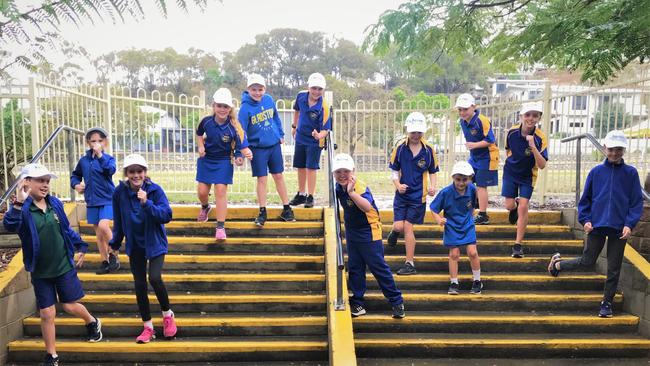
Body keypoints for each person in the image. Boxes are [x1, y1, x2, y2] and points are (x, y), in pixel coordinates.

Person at [3, 163, 102, 366]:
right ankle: (52, 356)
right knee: (47, 312)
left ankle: (92, 321)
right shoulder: (22, 209)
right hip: (40, 270)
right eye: (40, 180)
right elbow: (10, 225)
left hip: (63, 265)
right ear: (26, 182)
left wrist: (81, 246)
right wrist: (19, 203)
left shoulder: (55, 203)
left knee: (69, 305)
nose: (45, 184)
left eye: (47, 181)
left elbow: (65, 229)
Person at [547, 130, 643, 318]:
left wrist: (629, 224)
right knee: (588, 261)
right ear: (604, 148)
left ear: (623, 150)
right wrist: (586, 219)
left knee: (614, 268)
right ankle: (557, 265)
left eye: (619, 149)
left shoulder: (631, 173)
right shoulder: (596, 172)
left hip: (619, 229)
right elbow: (585, 200)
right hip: (597, 225)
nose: (615, 153)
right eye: (611, 149)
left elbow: (636, 202)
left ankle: (606, 304)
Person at [109, 154, 177, 343]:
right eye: (132, 172)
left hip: (154, 242)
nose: (136, 175)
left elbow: (166, 215)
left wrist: (147, 204)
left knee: (154, 278)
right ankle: (148, 327)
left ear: (145, 173)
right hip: (135, 244)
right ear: (126, 174)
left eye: (139, 171)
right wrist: (114, 243)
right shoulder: (119, 193)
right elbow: (119, 220)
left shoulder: (155, 191)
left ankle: (167, 315)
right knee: (140, 285)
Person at [333, 153, 405, 319]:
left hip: (369, 231)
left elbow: (366, 207)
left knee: (378, 267)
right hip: (352, 232)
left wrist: (351, 194)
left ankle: (396, 301)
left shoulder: (359, 187)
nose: (342, 175)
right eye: (338, 172)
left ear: (353, 171)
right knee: (355, 268)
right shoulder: (337, 187)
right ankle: (358, 303)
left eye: (346, 171)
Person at [195, 88, 253, 240]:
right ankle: (205, 207)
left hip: (223, 161)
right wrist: (200, 146)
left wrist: (241, 156)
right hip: (206, 159)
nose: (222, 109)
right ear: (213, 106)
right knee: (202, 192)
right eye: (219, 105)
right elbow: (199, 134)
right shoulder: (206, 121)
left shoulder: (234, 126)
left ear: (230, 108)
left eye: (225, 106)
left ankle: (220, 227)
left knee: (220, 191)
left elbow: (241, 145)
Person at [238, 73, 295, 226]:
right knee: (262, 179)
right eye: (254, 89)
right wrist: (240, 152)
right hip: (257, 149)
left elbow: (275, 117)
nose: (257, 92)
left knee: (278, 176)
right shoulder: (245, 108)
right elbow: (240, 131)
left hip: (273, 145)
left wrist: (280, 134)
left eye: (260, 89)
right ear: (248, 89)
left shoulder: (269, 100)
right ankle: (262, 211)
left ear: (265, 89)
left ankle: (287, 208)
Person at [386, 112, 439, 275]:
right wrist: (397, 184)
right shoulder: (400, 148)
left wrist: (433, 187)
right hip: (402, 195)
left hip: (418, 196)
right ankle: (395, 231)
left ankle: (410, 263)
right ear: (407, 131)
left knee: (408, 227)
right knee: (399, 226)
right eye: (413, 132)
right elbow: (394, 171)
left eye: (419, 132)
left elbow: (433, 171)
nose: (416, 135)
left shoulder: (429, 150)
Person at [502, 101, 548, 258]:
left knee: (524, 206)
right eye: (527, 115)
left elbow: (542, 165)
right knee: (509, 205)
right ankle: (513, 208)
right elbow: (507, 149)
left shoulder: (540, 138)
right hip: (510, 172)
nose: (531, 118)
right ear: (521, 116)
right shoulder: (512, 132)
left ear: (539, 118)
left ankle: (517, 245)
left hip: (528, 176)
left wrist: (533, 146)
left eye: (535, 115)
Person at [429, 161, 483, 295]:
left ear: (470, 178)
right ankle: (454, 282)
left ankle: (477, 281)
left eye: (465, 179)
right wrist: (439, 219)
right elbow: (433, 208)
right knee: (454, 254)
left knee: (472, 252)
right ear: (453, 178)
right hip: (452, 225)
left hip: (467, 224)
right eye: (458, 179)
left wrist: (471, 216)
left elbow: (473, 204)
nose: (461, 183)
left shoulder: (472, 189)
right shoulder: (446, 192)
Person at [71, 127, 119, 275]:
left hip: (107, 199)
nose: (96, 143)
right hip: (92, 201)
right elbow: (75, 175)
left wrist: (100, 155)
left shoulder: (108, 159)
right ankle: (104, 262)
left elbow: (110, 170)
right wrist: (76, 185)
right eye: (93, 141)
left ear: (105, 142)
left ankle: (114, 253)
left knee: (105, 226)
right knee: (98, 235)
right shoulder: (84, 161)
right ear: (88, 143)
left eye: (100, 141)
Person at [288, 72, 331, 209]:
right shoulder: (300, 96)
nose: (316, 92)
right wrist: (294, 126)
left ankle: (310, 196)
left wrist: (320, 135)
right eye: (314, 88)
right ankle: (301, 194)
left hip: (314, 140)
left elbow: (326, 129)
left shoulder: (324, 106)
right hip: (301, 136)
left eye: (319, 89)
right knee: (300, 165)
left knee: (311, 167)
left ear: (323, 90)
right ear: (308, 87)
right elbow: (296, 111)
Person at [455, 93, 499, 225]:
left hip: (488, 156)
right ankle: (474, 204)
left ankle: (483, 215)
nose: (462, 112)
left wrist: (474, 145)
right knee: (466, 179)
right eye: (460, 110)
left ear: (474, 107)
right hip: (474, 157)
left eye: (465, 109)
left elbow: (491, 140)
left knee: (481, 185)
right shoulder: (462, 122)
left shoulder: (482, 120)